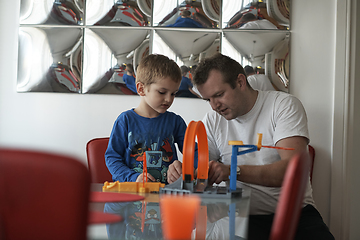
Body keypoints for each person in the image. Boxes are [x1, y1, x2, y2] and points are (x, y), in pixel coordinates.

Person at [167, 53, 334, 239]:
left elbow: (293, 172)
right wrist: (184, 172)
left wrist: (232, 171)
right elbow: (203, 172)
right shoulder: (212, 121)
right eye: (208, 100)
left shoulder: (283, 105)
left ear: (240, 82)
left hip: (296, 214)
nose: (214, 106)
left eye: (219, 95)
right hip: (239, 216)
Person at [105, 54, 188, 184]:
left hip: (165, 194)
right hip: (132, 193)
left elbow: (193, 153)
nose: (169, 99)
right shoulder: (125, 120)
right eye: (162, 92)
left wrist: (186, 168)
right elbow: (112, 158)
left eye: (173, 93)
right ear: (141, 89)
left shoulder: (176, 122)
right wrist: (134, 177)